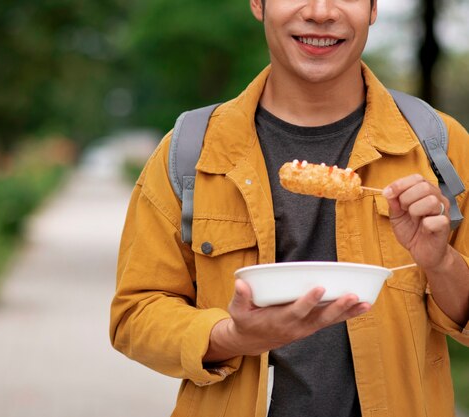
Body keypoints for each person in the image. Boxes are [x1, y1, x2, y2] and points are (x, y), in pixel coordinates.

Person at [109, 0, 469, 416]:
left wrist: (440, 261)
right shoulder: (190, 152)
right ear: (258, 4)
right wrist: (232, 336)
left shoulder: (440, 149)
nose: (320, 11)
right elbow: (135, 315)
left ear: (373, 8)